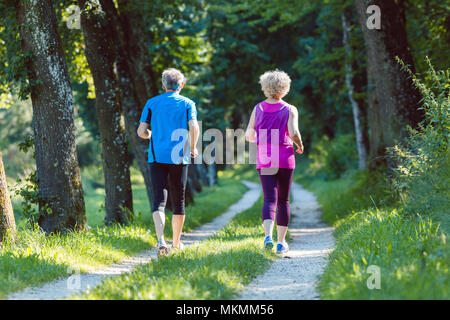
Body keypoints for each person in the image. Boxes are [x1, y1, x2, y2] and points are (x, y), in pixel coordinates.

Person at [137, 68, 200, 257]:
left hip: (157, 157)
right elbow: (194, 126)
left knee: (159, 199)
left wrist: (151, 135)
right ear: (181, 85)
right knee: (178, 199)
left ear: (163, 85)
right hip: (179, 156)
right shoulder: (188, 103)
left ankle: (160, 240)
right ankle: (177, 242)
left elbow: (141, 132)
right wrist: (193, 147)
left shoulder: (151, 103)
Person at [245, 69, 304, 254]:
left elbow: (248, 135)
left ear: (264, 87)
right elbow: (294, 133)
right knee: (283, 200)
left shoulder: (258, 108)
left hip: (265, 157)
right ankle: (281, 242)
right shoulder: (289, 109)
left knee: (269, 199)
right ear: (285, 88)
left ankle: (267, 236)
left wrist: (260, 141)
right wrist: (300, 145)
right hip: (285, 157)